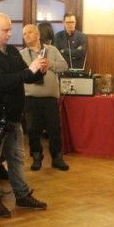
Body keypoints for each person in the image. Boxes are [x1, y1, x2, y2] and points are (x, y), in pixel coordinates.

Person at [0, 13, 48, 218]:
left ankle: (22, 195)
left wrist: (40, 71)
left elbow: (26, 77)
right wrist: (29, 71)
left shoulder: (12, 51)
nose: (9, 34)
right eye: (5, 30)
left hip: (12, 117)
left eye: (9, 30)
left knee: (17, 158)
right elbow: (1, 82)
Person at [20, 24, 69, 171]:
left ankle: (57, 157)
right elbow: (19, 74)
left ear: (38, 35)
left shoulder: (52, 50)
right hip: (30, 99)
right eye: (24, 34)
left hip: (50, 98)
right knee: (32, 130)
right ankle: (36, 157)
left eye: (29, 32)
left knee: (54, 129)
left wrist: (50, 64)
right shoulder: (21, 54)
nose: (26, 36)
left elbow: (64, 66)